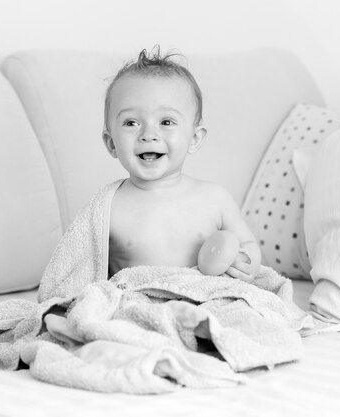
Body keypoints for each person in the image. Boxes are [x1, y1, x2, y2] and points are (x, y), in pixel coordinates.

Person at [102, 47, 261, 281]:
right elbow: (80, 265)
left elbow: (247, 244)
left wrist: (246, 262)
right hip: (137, 303)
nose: (149, 134)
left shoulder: (215, 199)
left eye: (166, 121)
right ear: (111, 143)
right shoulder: (106, 207)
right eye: (131, 122)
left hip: (205, 301)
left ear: (194, 139)